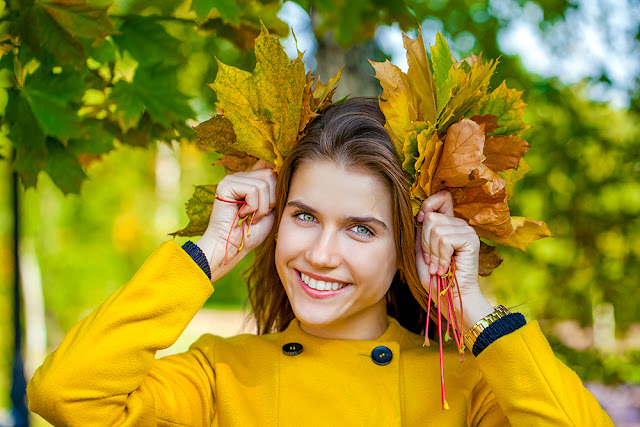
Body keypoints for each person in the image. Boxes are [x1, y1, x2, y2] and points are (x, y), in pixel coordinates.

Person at [27, 99, 612, 425]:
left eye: (361, 228)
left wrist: (475, 308)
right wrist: (206, 254)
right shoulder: (220, 377)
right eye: (304, 216)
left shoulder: (463, 387)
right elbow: (67, 394)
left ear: (410, 244)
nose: (321, 254)